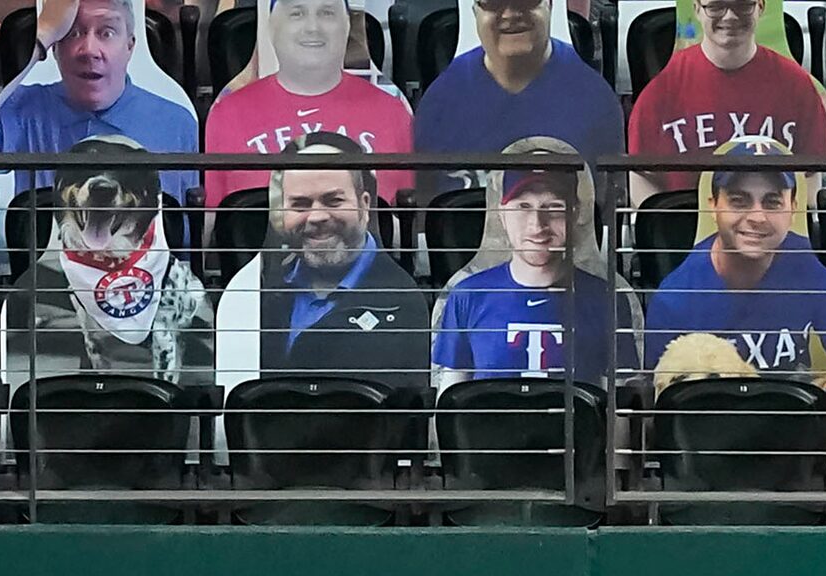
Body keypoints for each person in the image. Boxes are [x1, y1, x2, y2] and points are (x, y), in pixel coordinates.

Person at [644, 141, 826, 379]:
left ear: (793, 209)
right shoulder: (675, 298)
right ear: (712, 206)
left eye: (772, 202)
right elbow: (656, 396)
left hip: (789, 411)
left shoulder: (806, 268)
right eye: (739, 200)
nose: (757, 217)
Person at [432, 143, 639, 385]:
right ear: (502, 214)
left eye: (553, 207)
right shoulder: (467, 296)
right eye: (523, 206)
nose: (537, 224)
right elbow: (449, 403)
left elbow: (620, 410)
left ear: (574, 214)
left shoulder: (608, 300)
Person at [240, 131, 431, 385]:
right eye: (300, 204)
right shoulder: (256, 295)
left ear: (364, 205)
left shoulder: (404, 304)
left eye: (333, 201)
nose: (316, 216)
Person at [17, 137, 213, 379]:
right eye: (85, 171)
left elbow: (169, 342)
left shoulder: (161, 263)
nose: (103, 183)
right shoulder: (64, 264)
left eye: (125, 177)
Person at [203, 0, 414, 203]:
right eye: (297, 13)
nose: (313, 27)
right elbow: (214, 225)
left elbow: (406, 224)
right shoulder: (228, 113)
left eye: (327, 13)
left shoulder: (392, 111)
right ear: (272, 26)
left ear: (347, 26)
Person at [0, 0, 201, 198]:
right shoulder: (23, 108)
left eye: (106, 33)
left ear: (130, 46)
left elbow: (184, 231)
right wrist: (44, 34)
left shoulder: (176, 124)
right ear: (55, 48)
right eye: (73, 33)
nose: (89, 50)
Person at [411, 0, 626, 197]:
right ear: (475, 10)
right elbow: (429, 219)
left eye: (526, 1)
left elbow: (604, 217)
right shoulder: (439, 103)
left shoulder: (597, 101)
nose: (510, 14)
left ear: (550, 5)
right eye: (493, 3)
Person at [629, 0, 826, 196]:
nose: (730, 16)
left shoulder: (797, 86)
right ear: (697, 9)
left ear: (760, 7)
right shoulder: (660, 91)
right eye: (716, 6)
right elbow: (641, 177)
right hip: (684, 228)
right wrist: (664, 224)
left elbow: (812, 175)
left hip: (773, 228)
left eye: (743, 5)